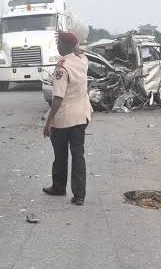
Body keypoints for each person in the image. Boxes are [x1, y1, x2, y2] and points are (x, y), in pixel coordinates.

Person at [42, 31, 93, 206]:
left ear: (64, 46)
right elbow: (79, 50)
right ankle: (79, 195)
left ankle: (59, 187)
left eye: (59, 43)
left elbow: (57, 98)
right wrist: (74, 44)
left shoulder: (61, 68)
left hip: (64, 119)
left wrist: (49, 122)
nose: (57, 46)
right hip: (82, 116)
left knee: (60, 155)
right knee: (78, 156)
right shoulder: (82, 61)